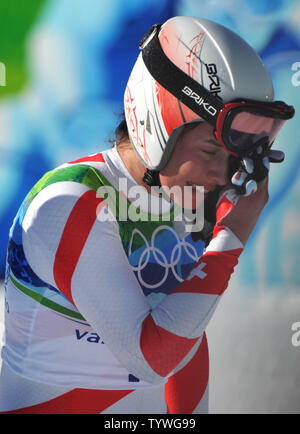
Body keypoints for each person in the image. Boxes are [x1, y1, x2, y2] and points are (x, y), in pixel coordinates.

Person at [0, 16, 294, 414]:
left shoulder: (183, 197)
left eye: (237, 158)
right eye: (210, 151)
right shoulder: (68, 202)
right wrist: (232, 235)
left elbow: (187, 342)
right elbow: (154, 357)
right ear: (156, 125)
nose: (224, 176)